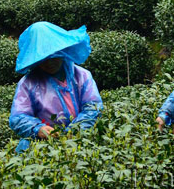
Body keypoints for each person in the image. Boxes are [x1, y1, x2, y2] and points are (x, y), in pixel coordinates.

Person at [9, 22, 103, 153]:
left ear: (62, 51)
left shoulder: (82, 76)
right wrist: (38, 129)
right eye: (43, 59)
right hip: (45, 145)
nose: (49, 63)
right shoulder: (28, 83)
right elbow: (18, 117)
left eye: (53, 57)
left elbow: (93, 106)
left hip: (81, 140)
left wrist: (75, 131)